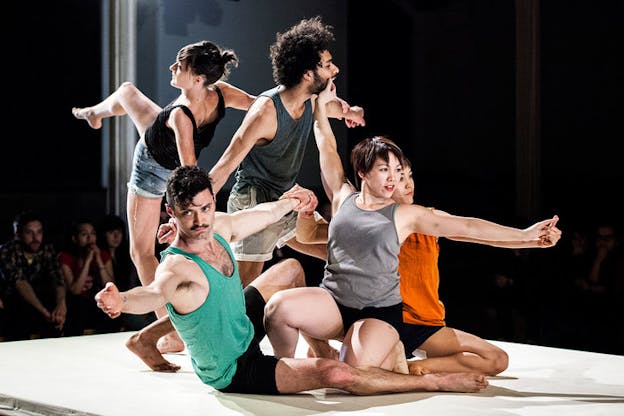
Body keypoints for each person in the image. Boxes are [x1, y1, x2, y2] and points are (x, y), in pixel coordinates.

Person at [95, 165, 488, 394]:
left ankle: (316, 348)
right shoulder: (177, 268)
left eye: (205, 208)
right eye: (188, 213)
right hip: (234, 366)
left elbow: (261, 216)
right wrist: (121, 301)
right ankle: (435, 384)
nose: (199, 221)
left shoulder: (219, 227)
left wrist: (291, 202)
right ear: (171, 212)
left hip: (242, 327)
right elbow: (151, 293)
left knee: (290, 270)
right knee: (335, 374)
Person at [263, 79, 561, 373]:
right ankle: (284, 370)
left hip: (391, 317)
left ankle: (395, 361)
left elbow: (468, 228)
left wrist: (526, 237)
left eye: (400, 172)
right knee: (279, 309)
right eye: (386, 170)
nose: (395, 179)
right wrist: (318, 102)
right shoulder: (344, 199)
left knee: (352, 372)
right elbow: (325, 144)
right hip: (338, 304)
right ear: (363, 173)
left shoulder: (411, 216)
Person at [72, 40, 256, 348]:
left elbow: (188, 175)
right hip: (160, 142)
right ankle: (95, 114)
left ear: (198, 79)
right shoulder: (219, 94)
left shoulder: (182, 117)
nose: (171, 68)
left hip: (152, 168)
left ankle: (171, 332)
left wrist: (179, 218)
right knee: (127, 92)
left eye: (179, 66)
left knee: (141, 252)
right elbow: (259, 103)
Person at [208, 16, 366, 286]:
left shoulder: (311, 101)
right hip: (254, 201)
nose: (335, 69)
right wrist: (191, 208)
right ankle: (179, 327)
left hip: (288, 197)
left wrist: (352, 112)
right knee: (239, 289)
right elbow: (225, 164)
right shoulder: (265, 111)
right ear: (307, 74)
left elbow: (340, 108)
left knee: (339, 250)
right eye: (327, 65)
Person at [0, 210, 66, 340]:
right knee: (19, 312)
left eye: (39, 232)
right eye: (29, 233)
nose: (36, 238)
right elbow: (20, 283)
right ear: (18, 234)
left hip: (40, 298)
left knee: (59, 312)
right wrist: (43, 311)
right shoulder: (7, 251)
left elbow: (57, 279)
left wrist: (61, 305)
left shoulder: (47, 249)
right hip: (13, 300)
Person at [59, 219, 120, 335]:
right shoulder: (65, 257)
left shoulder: (103, 255)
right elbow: (75, 290)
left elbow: (110, 285)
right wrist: (87, 261)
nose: (90, 238)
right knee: (79, 305)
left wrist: (98, 260)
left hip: (97, 303)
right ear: (74, 238)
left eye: (92, 234)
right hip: (76, 305)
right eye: (84, 234)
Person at [97, 214, 154, 330]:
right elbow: (106, 285)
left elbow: (132, 283)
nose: (116, 236)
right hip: (109, 304)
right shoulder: (99, 254)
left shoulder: (127, 256)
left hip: (130, 299)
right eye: (111, 232)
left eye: (119, 232)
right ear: (103, 234)